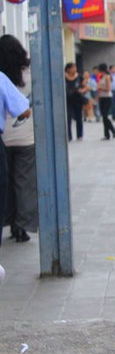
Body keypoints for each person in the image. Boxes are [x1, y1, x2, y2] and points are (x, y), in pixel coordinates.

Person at [0, 35, 38, 243]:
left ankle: (8, 220)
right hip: (25, 137)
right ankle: (21, 226)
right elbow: (27, 109)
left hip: (4, 136)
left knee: (5, 184)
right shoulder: (30, 73)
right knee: (24, 183)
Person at [64, 62, 87, 141]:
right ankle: (69, 136)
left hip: (77, 99)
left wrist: (82, 90)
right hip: (68, 99)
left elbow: (85, 87)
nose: (75, 69)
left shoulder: (79, 77)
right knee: (68, 118)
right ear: (68, 69)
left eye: (75, 67)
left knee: (79, 117)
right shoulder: (64, 77)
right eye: (73, 68)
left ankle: (79, 135)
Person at [96, 63, 115, 140]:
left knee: (105, 116)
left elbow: (108, 88)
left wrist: (100, 87)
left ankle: (113, 129)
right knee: (104, 117)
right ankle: (106, 134)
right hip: (102, 97)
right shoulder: (102, 77)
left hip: (107, 97)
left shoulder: (107, 77)